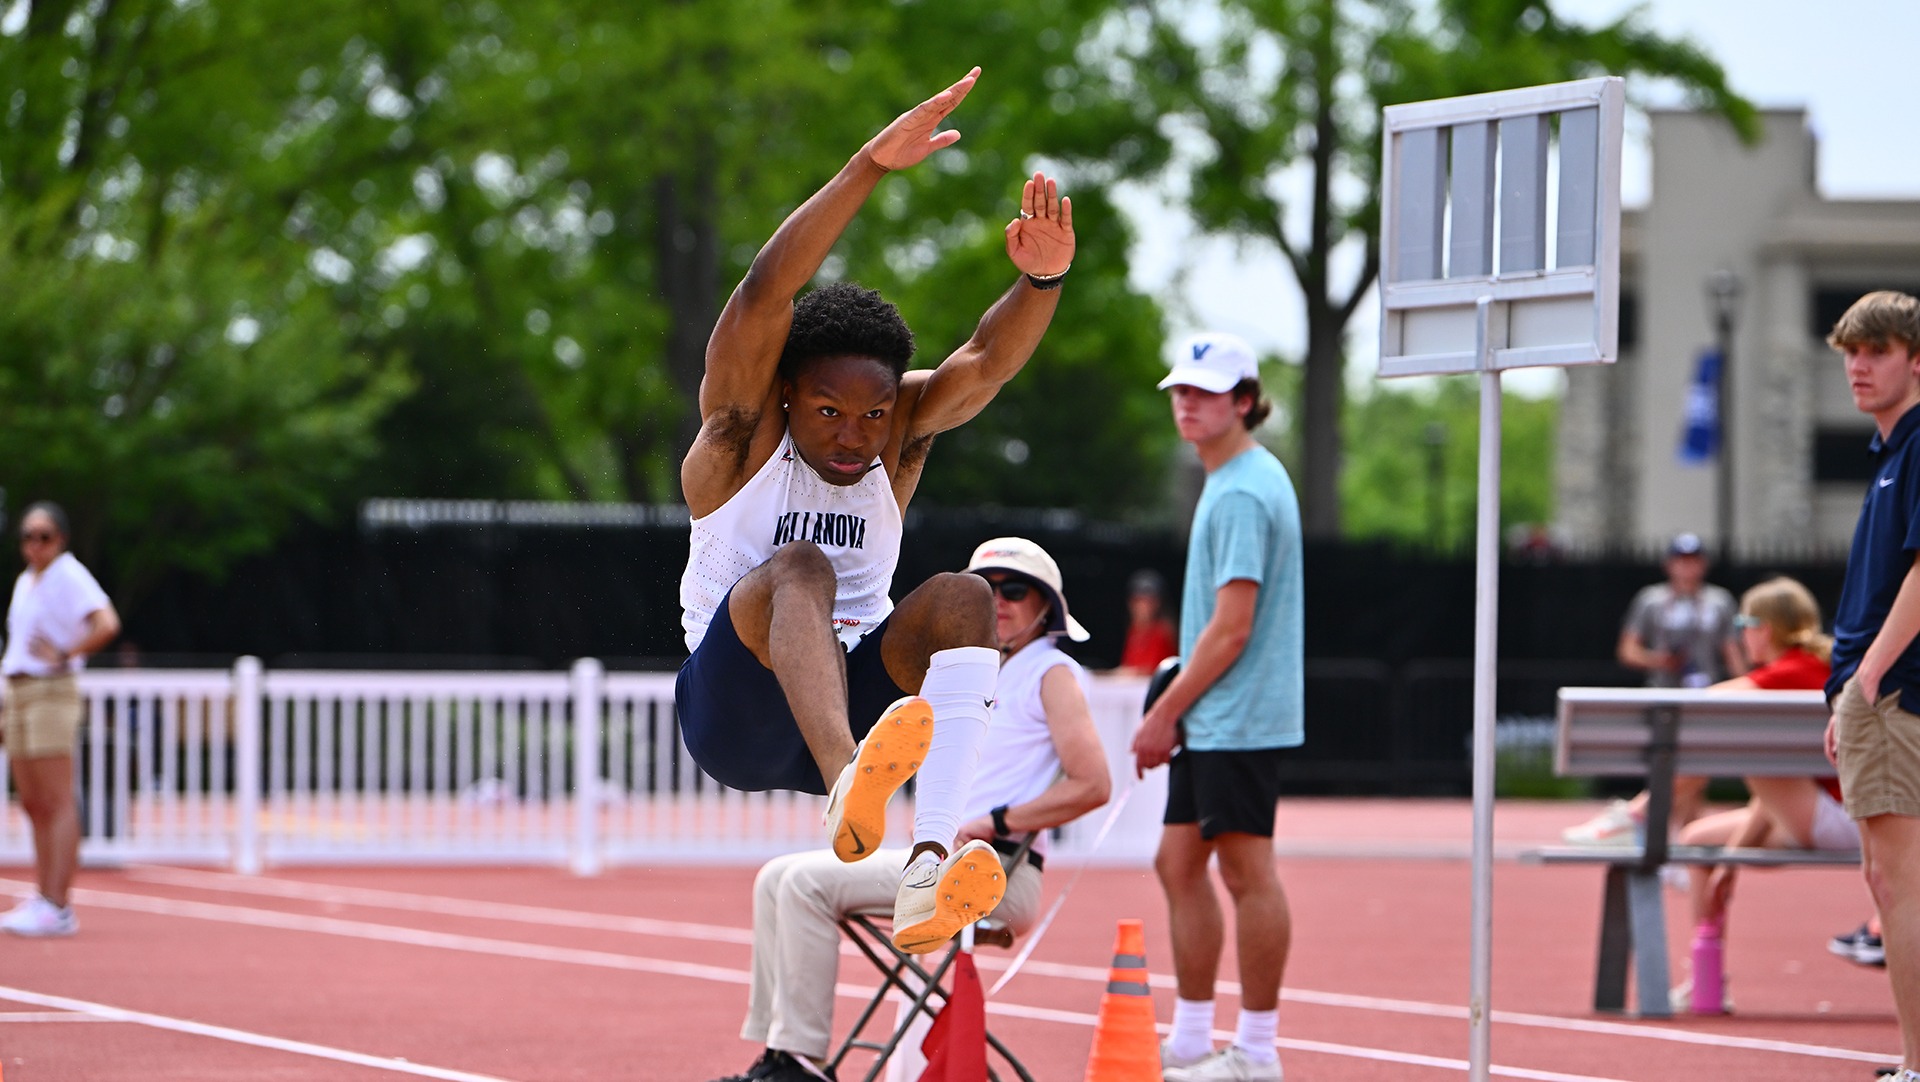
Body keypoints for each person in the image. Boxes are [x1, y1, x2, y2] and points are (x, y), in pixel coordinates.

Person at [675, 67, 1077, 954]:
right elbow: (763, 293)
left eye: (872, 414)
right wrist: (868, 167)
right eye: (828, 412)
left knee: (966, 595)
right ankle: (846, 785)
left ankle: (927, 866)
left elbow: (985, 361)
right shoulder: (739, 436)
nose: (854, 436)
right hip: (737, 710)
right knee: (800, 566)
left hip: (856, 689)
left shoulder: (897, 436)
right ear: (787, 394)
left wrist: (1043, 280)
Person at [714, 537, 1111, 1082]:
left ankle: (801, 1065)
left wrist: (994, 822)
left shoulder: (1051, 671)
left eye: (1016, 590)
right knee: (774, 877)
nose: (997, 599)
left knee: (804, 883)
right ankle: (781, 1055)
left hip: (999, 869)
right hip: (945, 861)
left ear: (1048, 608)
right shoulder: (966, 665)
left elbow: (1094, 784)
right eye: (987, 587)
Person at [1130, 331, 1301, 1082]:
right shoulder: (1236, 479)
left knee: (1246, 872)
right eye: (1181, 390)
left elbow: (1232, 629)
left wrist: (1165, 711)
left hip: (1238, 714)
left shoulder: (1241, 491)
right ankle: (1195, 1037)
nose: (1187, 403)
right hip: (1219, 713)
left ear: (1245, 401)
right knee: (1178, 863)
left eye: (1206, 392)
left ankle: (1257, 1052)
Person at [1667, 577, 1851, 1013]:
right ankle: (1706, 976)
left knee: (1743, 738)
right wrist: (1730, 859)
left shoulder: (1796, 669)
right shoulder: (1806, 668)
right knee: (1697, 839)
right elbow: (1773, 796)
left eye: (1743, 625)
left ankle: (1641, 813)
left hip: (1846, 816)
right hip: (1820, 813)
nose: (1741, 636)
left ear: (1764, 628)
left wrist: (1733, 860)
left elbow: (1705, 702)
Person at [1824, 291, 1920, 1082]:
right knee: (1889, 882)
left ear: (1917, 361)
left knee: (1897, 885)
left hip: (1895, 693)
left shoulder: (1917, 447)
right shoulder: (1892, 453)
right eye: (1852, 351)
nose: (1859, 366)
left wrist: (1866, 678)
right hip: (1879, 692)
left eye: (1878, 350)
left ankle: (1917, 1063)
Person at [1562, 531, 1746, 845]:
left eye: (1693, 561)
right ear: (1669, 564)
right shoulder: (1652, 601)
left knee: (1695, 771)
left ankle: (1679, 839)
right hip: (1664, 694)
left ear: (1703, 565)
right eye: (1681, 561)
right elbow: (1628, 649)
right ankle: (1669, 838)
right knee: (1670, 767)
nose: (1687, 568)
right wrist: (1660, 660)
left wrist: (1746, 686)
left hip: (1704, 695)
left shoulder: (1718, 602)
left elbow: (1731, 652)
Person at [0, 502, 120, 937]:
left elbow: (106, 622)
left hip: (51, 690)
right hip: (19, 690)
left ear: (61, 540)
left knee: (56, 799)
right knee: (32, 801)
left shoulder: (68, 573)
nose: (35, 545)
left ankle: (59, 903)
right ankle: (43, 896)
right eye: (28, 536)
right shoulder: (26, 581)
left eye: (44, 536)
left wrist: (67, 653)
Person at [1118, 568, 1179, 675]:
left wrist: (1115, 674)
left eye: (1147, 601)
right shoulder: (1134, 630)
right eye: (1137, 601)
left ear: (1157, 604)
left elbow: (1150, 670)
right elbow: (1128, 665)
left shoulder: (1163, 631)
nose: (1141, 607)